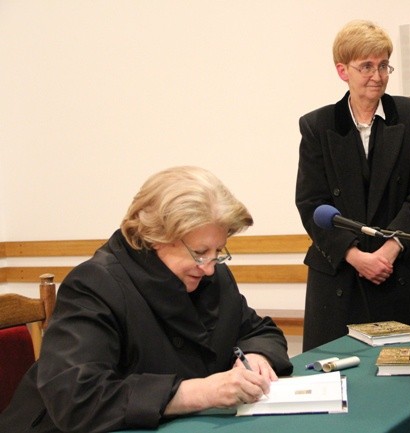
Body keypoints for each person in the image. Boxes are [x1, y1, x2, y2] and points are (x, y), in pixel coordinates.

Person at [0, 166, 293, 433]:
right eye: (199, 252)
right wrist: (198, 392)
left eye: (219, 251)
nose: (209, 266)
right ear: (155, 237)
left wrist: (255, 357)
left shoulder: (213, 277)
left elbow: (259, 331)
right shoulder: (94, 285)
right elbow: (77, 398)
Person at [295, 20, 410, 351]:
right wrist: (354, 255)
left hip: (398, 267)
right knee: (338, 381)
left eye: (383, 65)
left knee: (407, 378)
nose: (377, 76)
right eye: (366, 67)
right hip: (340, 274)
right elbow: (311, 202)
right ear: (342, 70)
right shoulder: (317, 126)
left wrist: (390, 249)